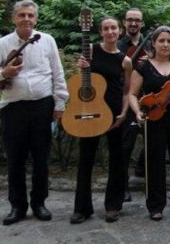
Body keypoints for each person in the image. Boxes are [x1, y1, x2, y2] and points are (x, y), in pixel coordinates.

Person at [0, 0, 68, 225]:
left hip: (42, 107)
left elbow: (58, 72)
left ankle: (39, 203)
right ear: (14, 18)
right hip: (13, 109)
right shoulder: (1, 45)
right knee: (15, 160)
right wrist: (3, 73)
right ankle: (17, 206)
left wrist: (60, 103)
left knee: (41, 159)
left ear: (36, 19)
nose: (26, 19)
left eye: (30, 15)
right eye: (22, 15)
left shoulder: (47, 41)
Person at [70, 17, 133, 224]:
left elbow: (126, 91)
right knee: (85, 159)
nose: (110, 32)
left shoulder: (125, 60)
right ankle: (81, 208)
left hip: (113, 112)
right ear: (100, 31)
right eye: (106, 28)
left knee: (117, 159)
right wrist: (80, 67)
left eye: (113, 28)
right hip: (89, 110)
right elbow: (80, 80)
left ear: (120, 30)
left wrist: (124, 113)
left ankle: (113, 206)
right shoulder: (90, 49)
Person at [128, 26, 170, 221]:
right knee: (154, 161)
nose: (165, 44)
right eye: (161, 41)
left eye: (169, 41)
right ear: (154, 44)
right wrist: (138, 111)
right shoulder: (143, 66)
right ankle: (156, 206)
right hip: (153, 119)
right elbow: (132, 94)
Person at [118, 7, 148, 200]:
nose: (134, 23)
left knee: (152, 141)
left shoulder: (151, 44)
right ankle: (122, 185)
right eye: (130, 20)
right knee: (125, 145)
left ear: (142, 23)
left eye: (137, 20)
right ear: (124, 23)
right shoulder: (119, 45)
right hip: (126, 98)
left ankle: (144, 173)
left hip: (149, 97)